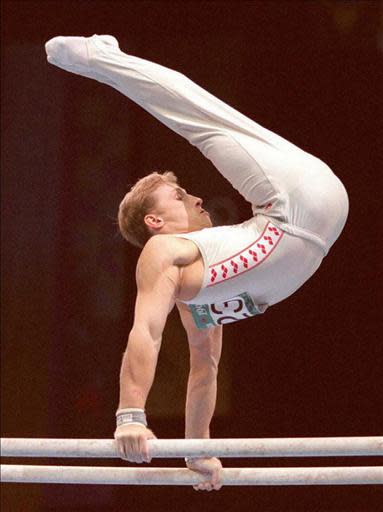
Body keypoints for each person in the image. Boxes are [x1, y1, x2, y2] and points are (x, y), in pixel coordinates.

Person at [45, 35, 349, 491]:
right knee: (201, 122)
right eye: (179, 196)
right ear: (155, 221)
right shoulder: (170, 258)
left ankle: (101, 56)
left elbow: (148, 333)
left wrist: (132, 416)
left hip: (295, 205)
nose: (197, 197)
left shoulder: (181, 259)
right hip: (311, 213)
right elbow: (199, 363)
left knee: (199, 119)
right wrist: (196, 448)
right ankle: (104, 58)